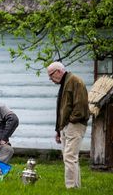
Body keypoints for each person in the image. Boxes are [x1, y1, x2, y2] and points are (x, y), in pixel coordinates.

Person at [47, 61, 89, 189]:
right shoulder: (65, 82)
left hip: (74, 124)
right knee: (70, 157)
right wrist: (58, 130)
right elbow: (62, 108)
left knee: (70, 157)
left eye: (51, 75)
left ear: (59, 71)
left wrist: (70, 122)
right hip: (66, 125)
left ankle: (70, 187)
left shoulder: (75, 81)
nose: (50, 79)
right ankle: (76, 187)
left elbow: (80, 107)